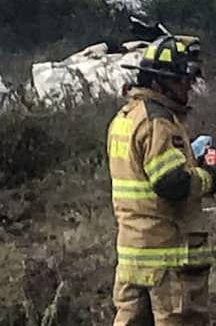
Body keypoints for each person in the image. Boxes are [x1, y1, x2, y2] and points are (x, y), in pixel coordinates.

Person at [108, 34, 216, 325]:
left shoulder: (126, 116)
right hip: (169, 260)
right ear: (159, 82)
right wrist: (209, 176)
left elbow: (146, 170)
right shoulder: (158, 120)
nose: (188, 88)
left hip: (134, 257)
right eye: (182, 81)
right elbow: (172, 184)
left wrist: (187, 155)